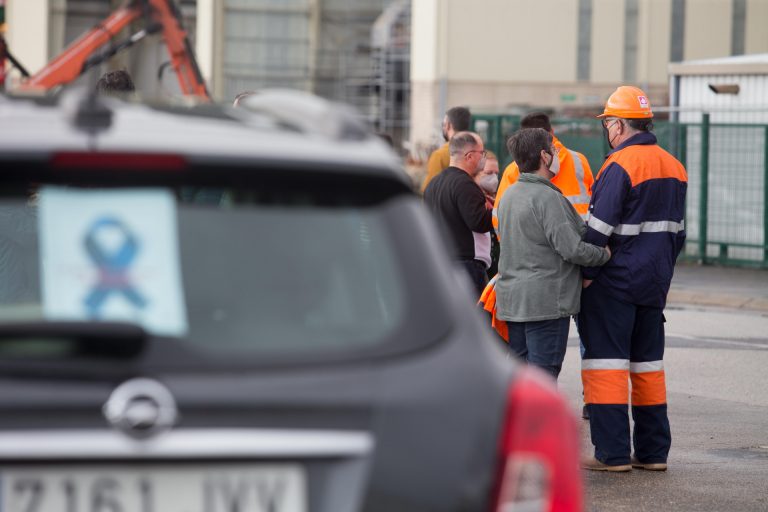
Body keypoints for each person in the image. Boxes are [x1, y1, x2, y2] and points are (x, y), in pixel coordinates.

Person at [579, 86, 687, 472]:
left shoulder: (619, 165)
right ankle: (654, 453)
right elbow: (678, 235)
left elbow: (597, 231)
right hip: (653, 284)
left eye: (608, 122)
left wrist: (588, 275)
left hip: (614, 284)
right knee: (648, 368)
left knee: (606, 367)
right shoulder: (674, 166)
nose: (607, 129)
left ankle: (612, 455)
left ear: (619, 125)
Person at [495, 128, 610, 380]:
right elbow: (572, 249)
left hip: (513, 302)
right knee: (543, 376)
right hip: (546, 303)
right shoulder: (548, 198)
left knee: (520, 377)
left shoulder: (508, 195)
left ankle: (520, 420)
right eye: (554, 150)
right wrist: (603, 254)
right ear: (544, 157)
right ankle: (537, 421)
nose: (558, 154)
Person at [493, 112, 593, 236]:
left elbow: (499, 219)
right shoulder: (579, 160)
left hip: (536, 245)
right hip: (580, 238)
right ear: (552, 131)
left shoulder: (514, 169)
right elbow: (595, 201)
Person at [423, 131, 492, 296]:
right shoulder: (465, 184)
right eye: (482, 153)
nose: (484, 158)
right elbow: (479, 222)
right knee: (472, 320)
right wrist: (500, 210)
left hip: (440, 263)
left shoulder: (433, 184)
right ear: (469, 156)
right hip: (467, 266)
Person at [421, 106, 471, 193]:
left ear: (448, 125)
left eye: (443, 124)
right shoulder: (482, 152)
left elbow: (429, 190)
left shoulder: (439, 155)